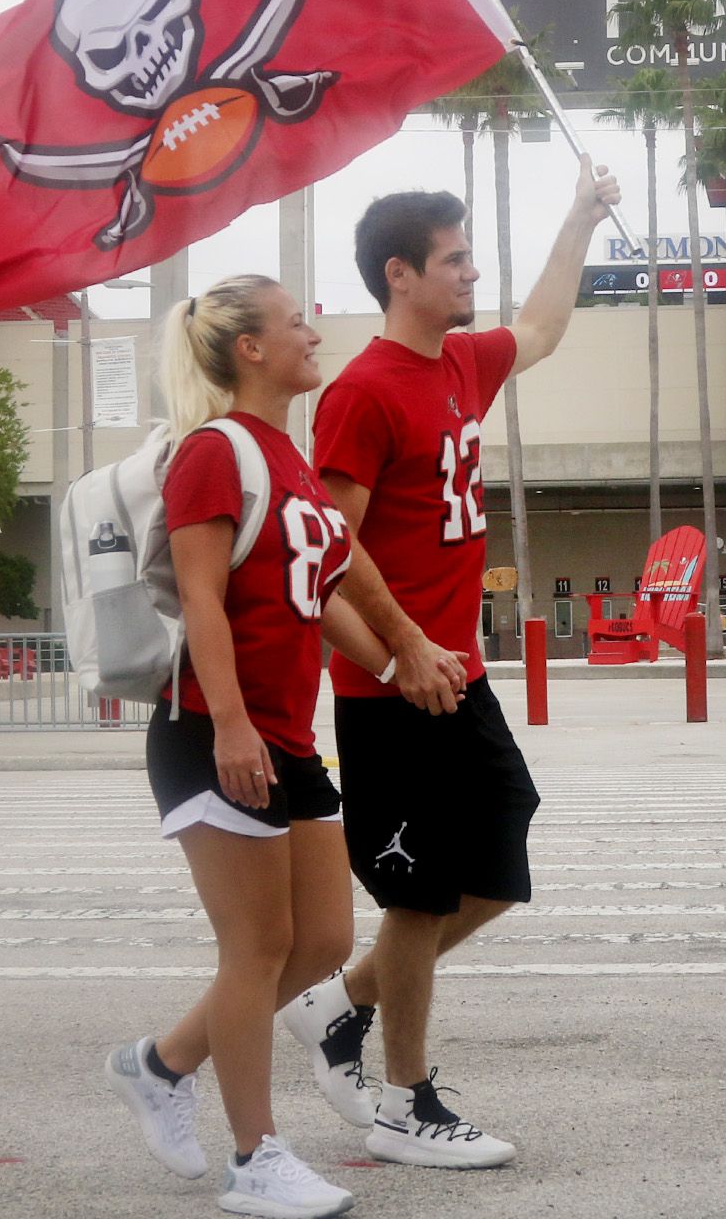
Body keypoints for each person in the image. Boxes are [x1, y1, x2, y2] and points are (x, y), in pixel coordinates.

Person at [276, 158, 618, 1170]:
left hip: (455, 672)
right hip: (393, 689)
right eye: (454, 261)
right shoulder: (363, 394)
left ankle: (342, 1004)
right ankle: (405, 1104)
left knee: (500, 855)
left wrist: (581, 217)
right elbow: (328, 560)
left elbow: (546, 324)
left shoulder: (462, 365)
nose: (471, 275)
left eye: (471, 259)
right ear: (399, 275)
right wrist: (395, 661)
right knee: (418, 899)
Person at [105, 274, 467, 1219]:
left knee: (322, 943)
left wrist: (395, 669)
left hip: (287, 738)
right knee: (257, 948)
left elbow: (323, 598)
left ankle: (161, 1064)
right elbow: (202, 600)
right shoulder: (214, 453)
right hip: (212, 732)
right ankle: (254, 1158)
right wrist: (228, 723)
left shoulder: (290, 460)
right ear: (250, 350)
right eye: (295, 321)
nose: (314, 331)